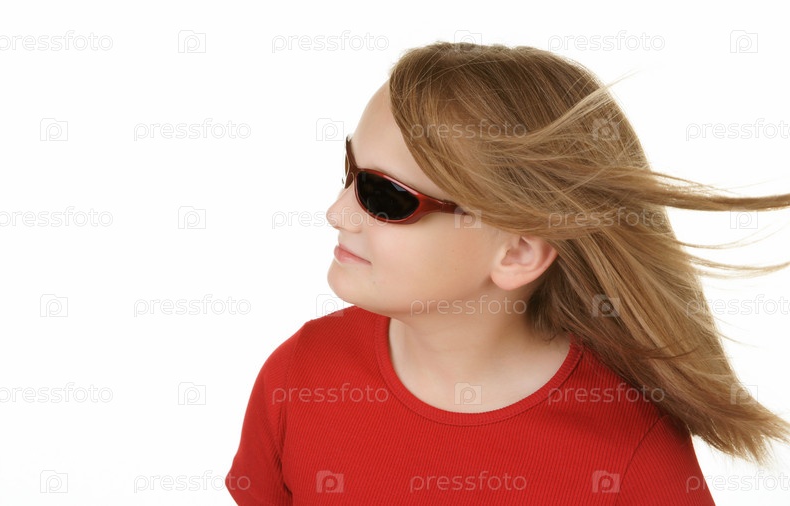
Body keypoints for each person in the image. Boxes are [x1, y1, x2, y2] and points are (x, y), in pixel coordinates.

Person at [227, 42, 790, 505]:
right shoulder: (299, 373)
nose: (336, 212)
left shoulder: (631, 450)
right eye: (351, 172)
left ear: (518, 253)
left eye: (384, 196)